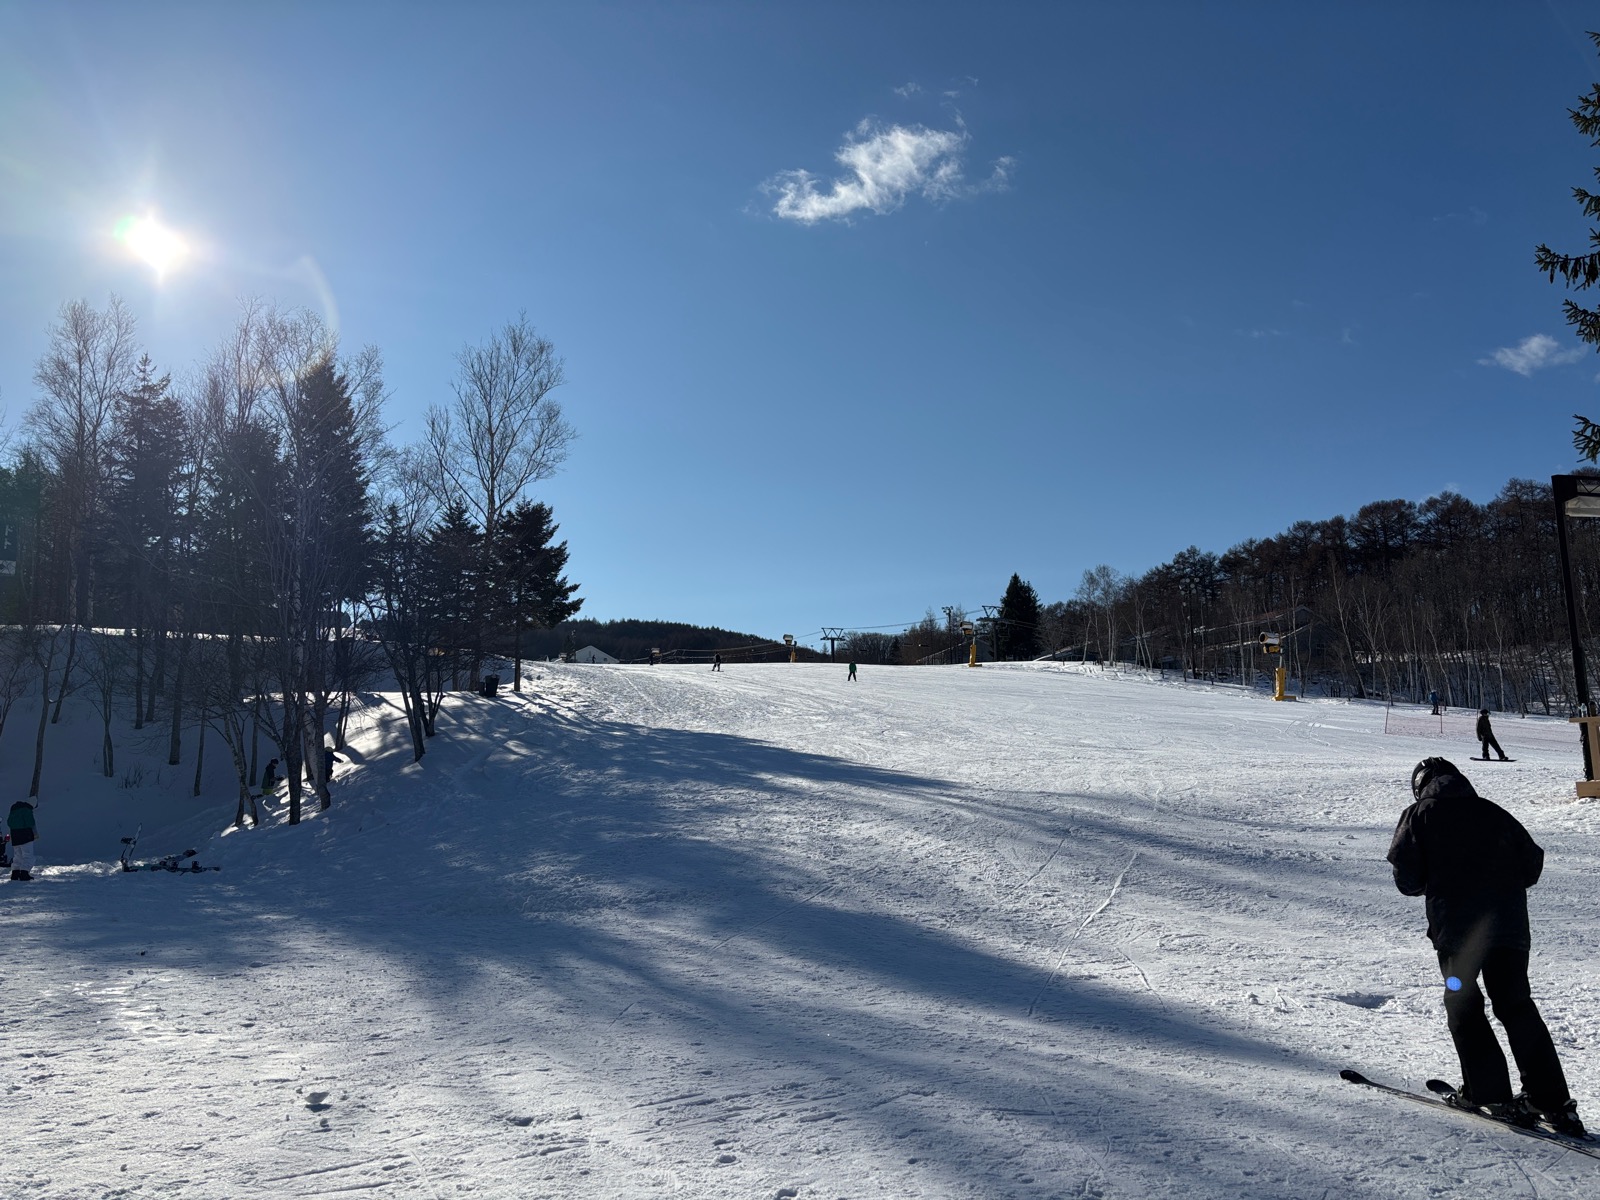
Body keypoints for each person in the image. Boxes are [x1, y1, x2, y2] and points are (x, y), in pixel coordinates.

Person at [1387, 757, 1583, 1136]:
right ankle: (1553, 1102)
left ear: (1420, 785)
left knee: (1463, 1003)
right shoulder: (1494, 812)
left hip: (1458, 937)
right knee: (1516, 1005)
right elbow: (1532, 866)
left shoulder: (1418, 815)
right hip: (1508, 931)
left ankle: (1488, 1091)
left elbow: (1407, 879)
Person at [8, 799, 37, 882]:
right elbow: (30, 823)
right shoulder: (27, 809)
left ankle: (15, 873)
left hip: (14, 834)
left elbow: (9, 822)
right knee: (28, 854)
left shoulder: (14, 809)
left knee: (18, 854)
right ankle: (24, 873)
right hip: (25, 834)